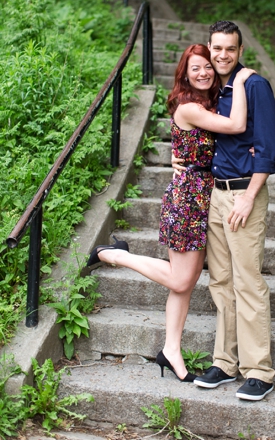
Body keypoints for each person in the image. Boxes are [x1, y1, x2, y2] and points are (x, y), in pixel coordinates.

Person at [87, 43, 255, 382]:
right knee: (181, 279)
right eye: (196, 68)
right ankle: (113, 255)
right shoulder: (189, 106)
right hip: (188, 198)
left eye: (208, 66)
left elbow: (222, 141)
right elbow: (236, 125)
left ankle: (171, 351)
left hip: (208, 196)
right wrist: (239, 81)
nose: (204, 72)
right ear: (184, 73)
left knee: (184, 285)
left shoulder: (209, 104)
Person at [176, 20, 275, 402]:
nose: (222, 55)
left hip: (242, 196)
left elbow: (268, 148)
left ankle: (259, 370)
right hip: (214, 196)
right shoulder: (215, 89)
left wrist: (250, 196)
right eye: (216, 48)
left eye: (230, 49)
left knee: (247, 281)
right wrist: (179, 160)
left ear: (240, 50)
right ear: (209, 46)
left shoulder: (253, 85)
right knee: (220, 280)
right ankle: (225, 362)